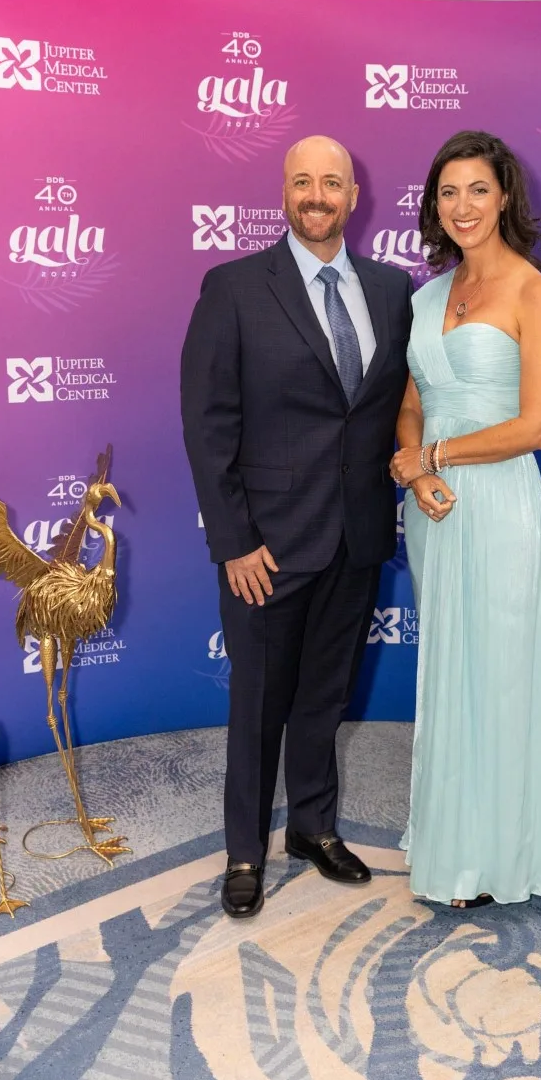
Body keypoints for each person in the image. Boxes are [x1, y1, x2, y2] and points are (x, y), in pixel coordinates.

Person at [182, 136, 412, 918]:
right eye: (304, 181)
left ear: (355, 196)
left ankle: (313, 825)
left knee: (325, 695)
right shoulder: (234, 287)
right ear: (283, 192)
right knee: (257, 704)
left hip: (356, 537)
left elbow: (393, 407)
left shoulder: (392, 290)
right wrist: (233, 541)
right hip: (266, 546)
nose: (318, 195)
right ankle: (244, 849)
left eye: (332, 182)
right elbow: (208, 424)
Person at [390, 130, 541, 908]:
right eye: (448, 192)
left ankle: (495, 858)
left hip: (497, 504)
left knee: (499, 676)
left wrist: (436, 455)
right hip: (434, 507)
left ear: (505, 198)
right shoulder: (426, 297)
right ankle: (448, 843)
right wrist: (415, 464)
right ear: (434, 204)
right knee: (448, 674)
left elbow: (538, 425)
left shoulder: (535, 292)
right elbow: (410, 404)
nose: (462, 206)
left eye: (478, 190)